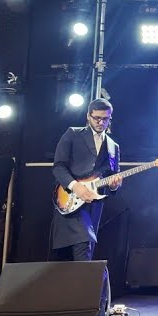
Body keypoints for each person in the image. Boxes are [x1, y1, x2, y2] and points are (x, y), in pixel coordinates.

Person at [51, 98, 121, 261]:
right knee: (83, 245)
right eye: (97, 118)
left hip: (93, 205)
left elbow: (113, 176)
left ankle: (86, 277)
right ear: (88, 116)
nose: (101, 122)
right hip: (70, 197)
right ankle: (89, 277)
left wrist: (114, 185)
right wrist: (76, 186)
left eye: (105, 119)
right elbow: (58, 167)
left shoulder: (113, 147)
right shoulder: (73, 134)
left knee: (85, 247)